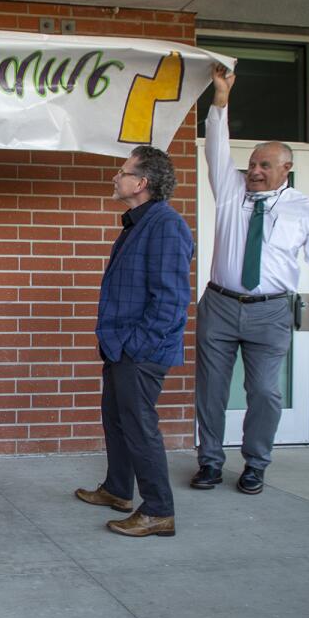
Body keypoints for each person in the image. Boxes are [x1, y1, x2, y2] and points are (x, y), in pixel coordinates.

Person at [193, 64, 309, 495]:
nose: (254, 171)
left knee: (265, 392)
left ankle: (255, 464)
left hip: (270, 312)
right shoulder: (230, 191)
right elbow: (215, 145)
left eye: (265, 165)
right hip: (220, 305)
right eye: (251, 164)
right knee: (210, 391)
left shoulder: (308, 211)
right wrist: (221, 99)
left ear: (287, 168)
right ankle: (209, 462)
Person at [75, 147, 193, 537]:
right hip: (121, 345)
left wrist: (136, 346)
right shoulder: (139, 223)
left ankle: (159, 509)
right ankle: (117, 490)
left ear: (141, 183)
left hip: (139, 350)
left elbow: (171, 300)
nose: (115, 177)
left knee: (139, 427)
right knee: (116, 419)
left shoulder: (165, 225)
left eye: (122, 172)